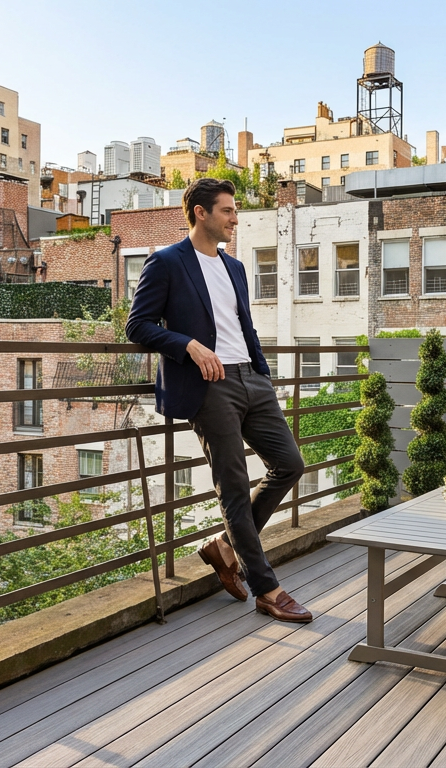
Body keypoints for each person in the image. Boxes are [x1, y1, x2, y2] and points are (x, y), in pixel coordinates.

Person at [126, 177, 311, 623]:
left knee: (290, 464)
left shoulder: (234, 267)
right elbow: (138, 326)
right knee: (232, 483)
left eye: (234, 210)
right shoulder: (166, 262)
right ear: (200, 213)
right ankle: (267, 587)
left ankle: (225, 548)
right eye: (227, 210)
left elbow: (241, 325)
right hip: (209, 387)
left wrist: (261, 369)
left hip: (252, 379)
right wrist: (187, 345)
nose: (234, 218)